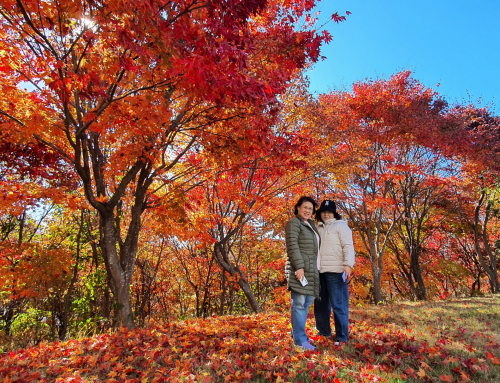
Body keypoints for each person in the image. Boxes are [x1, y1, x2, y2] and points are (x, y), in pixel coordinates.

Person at [314, 199, 355, 345]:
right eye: (323, 212)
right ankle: (324, 332)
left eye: (329, 212)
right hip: (320, 271)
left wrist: (348, 265)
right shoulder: (317, 228)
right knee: (320, 304)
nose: (326, 214)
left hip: (337, 271)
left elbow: (348, 247)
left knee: (339, 304)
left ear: (334, 214)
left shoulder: (341, 227)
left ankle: (342, 337)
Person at [285, 196, 321, 351]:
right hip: (299, 270)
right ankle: (300, 342)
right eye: (305, 207)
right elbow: (292, 246)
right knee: (299, 304)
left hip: (311, 270)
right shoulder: (294, 223)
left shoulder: (310, 225)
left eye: (310, 209)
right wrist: (299, 267)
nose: (308, 210)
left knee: (305, 304)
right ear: (298, 207)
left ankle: (300, 335)